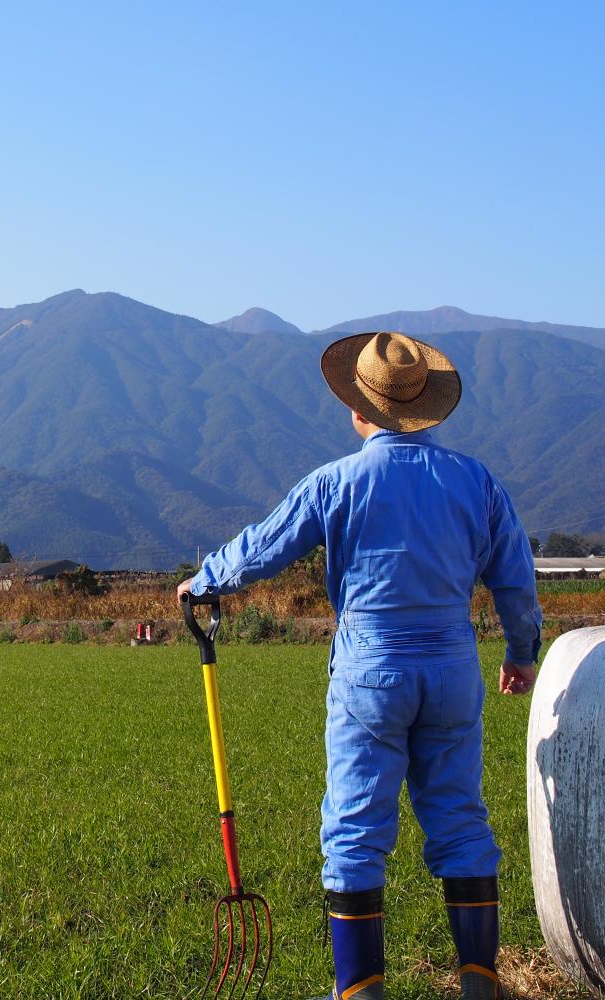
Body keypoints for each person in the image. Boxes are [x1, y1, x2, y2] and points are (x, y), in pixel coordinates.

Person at [177, 332, 541, 1000]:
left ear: (357, 409)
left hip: (371, 672)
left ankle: (360, 991)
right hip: (453, 669)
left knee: (354, 827)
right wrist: (522, 654)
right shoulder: (476, 481)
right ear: (427, 408)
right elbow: (516, 581)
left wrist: (204, 581)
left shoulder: (336, 482)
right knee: (460, 819)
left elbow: (263, 548)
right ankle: (481, 980)